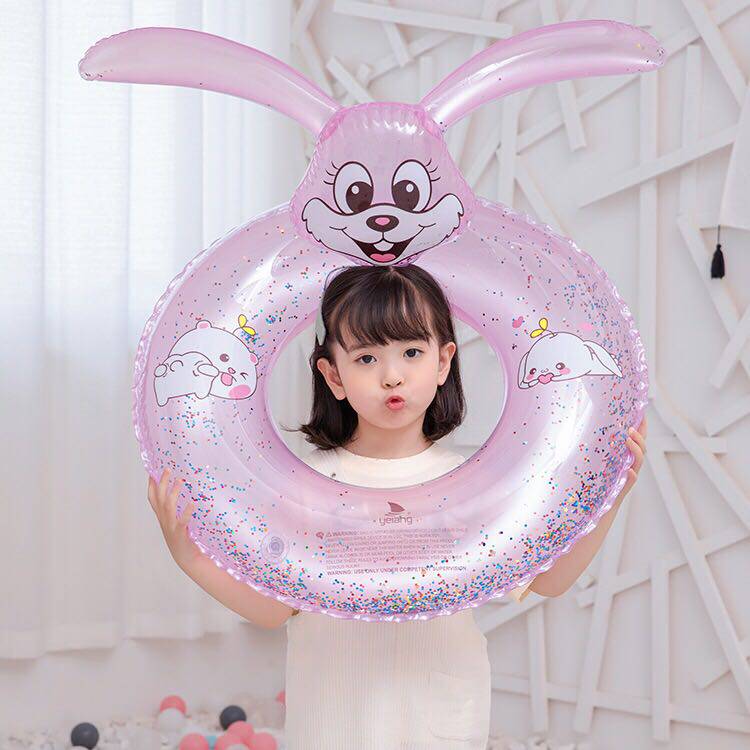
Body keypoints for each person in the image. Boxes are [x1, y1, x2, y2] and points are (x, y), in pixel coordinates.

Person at [146, 264, 647, 750]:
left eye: (411, 352)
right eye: (366, 358)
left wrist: (611, 497)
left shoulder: (470, 484)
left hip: (442, 717)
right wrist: (189, 556)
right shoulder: (308, 485)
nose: (392, 376)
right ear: (333, 376)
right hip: (335, 720)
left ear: (443, 362)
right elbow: (276, 608)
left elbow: (547, 580)